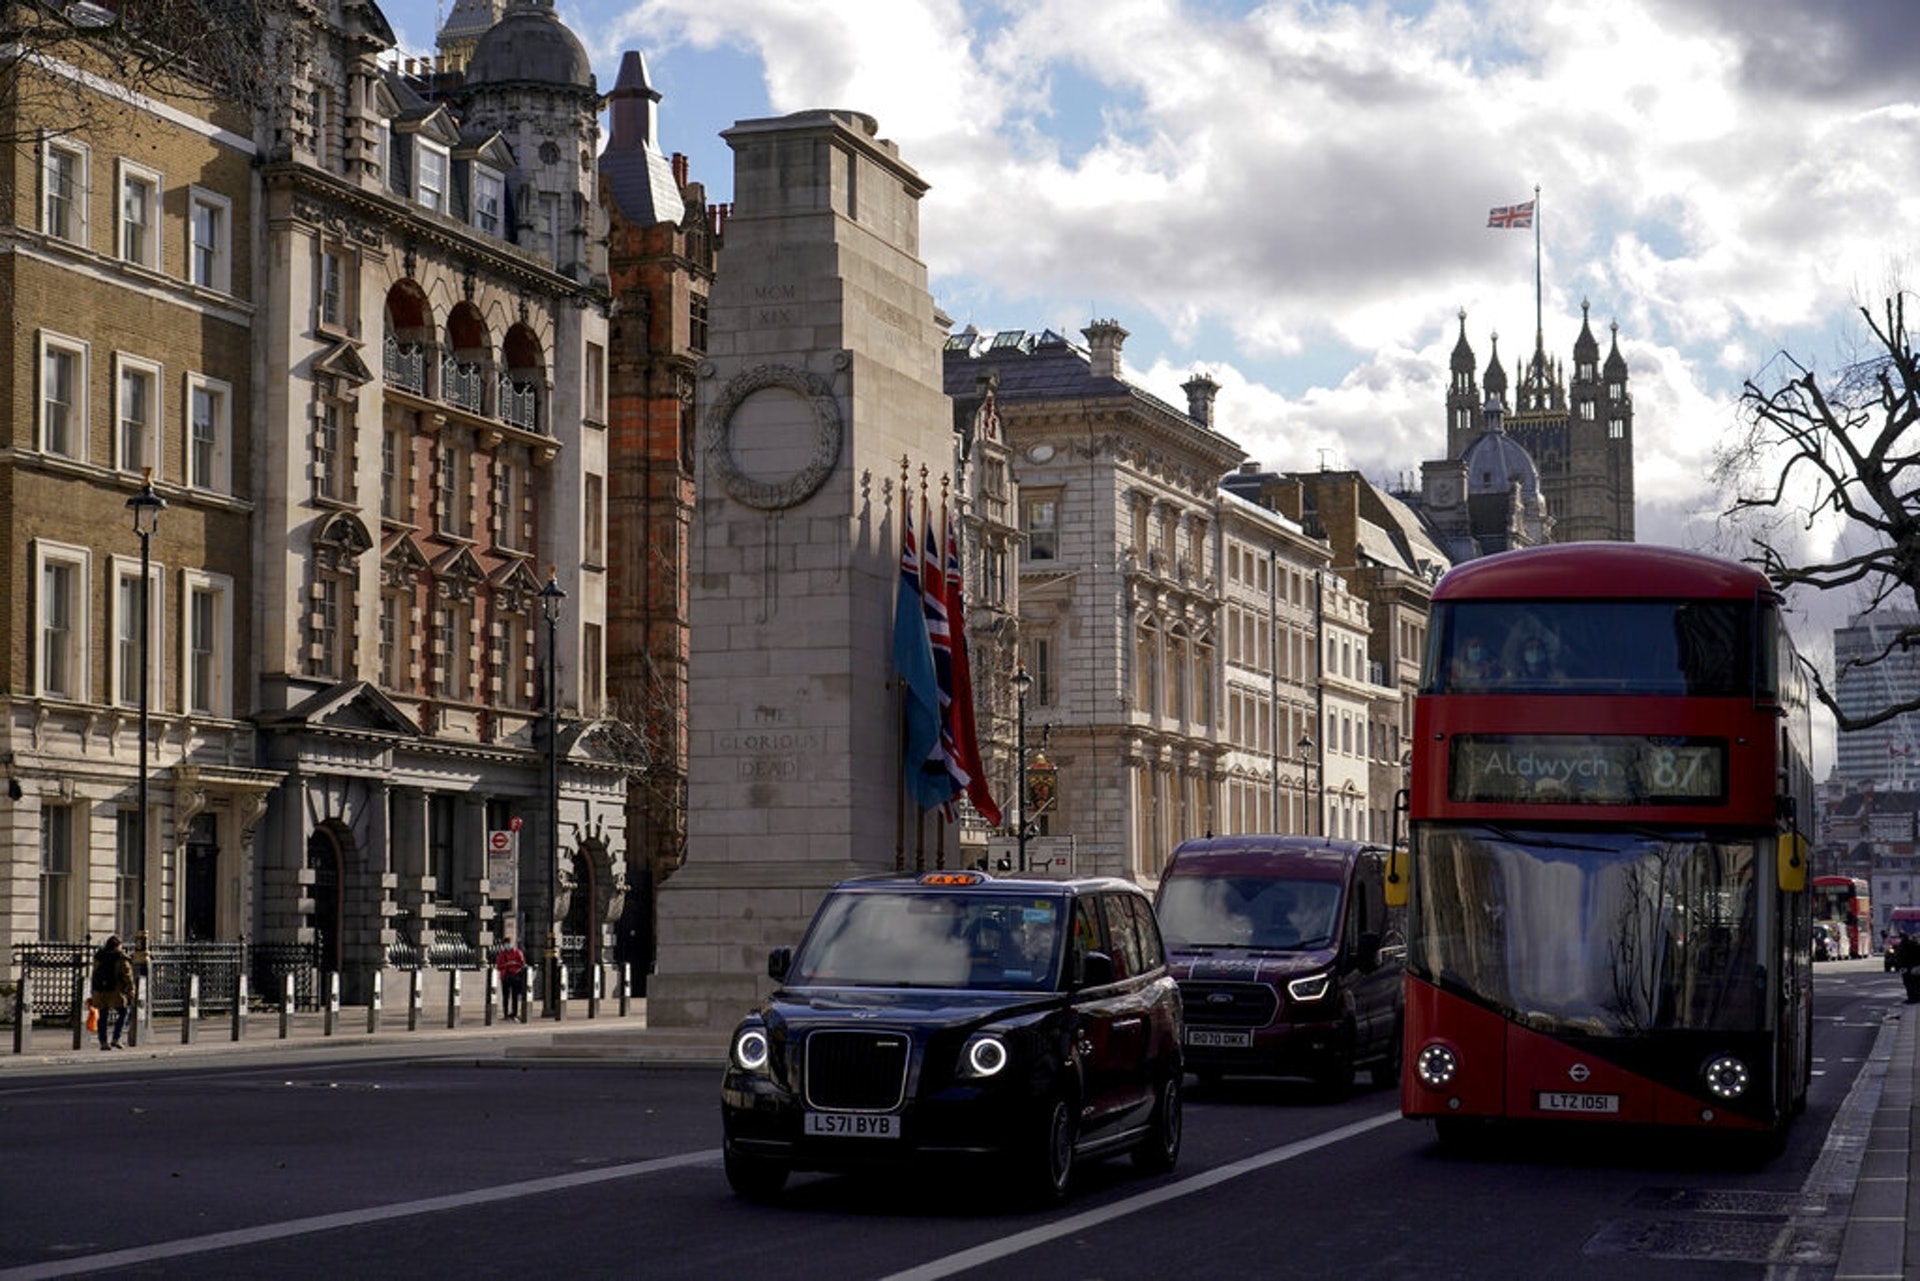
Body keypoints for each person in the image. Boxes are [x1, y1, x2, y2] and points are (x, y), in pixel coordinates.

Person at [90, 935, 134, 1050]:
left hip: (100, 990)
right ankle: (116, 1038)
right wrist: (131, 989)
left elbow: (94, 973)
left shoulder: (99, 956)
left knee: (103, 1015)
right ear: (117, 946)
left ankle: (103, 1042)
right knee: (124, 1012)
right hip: (115, 990)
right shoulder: (120, 958)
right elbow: (127, 975)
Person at [495, 938, 529, 1021]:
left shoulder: (517, 952)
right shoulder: (501, 954)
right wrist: (507, 964)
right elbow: (498, 966)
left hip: (515, 976)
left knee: (515, 996)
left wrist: (514, 963)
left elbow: (522, 963)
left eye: (508, 943)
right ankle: (505, 1013)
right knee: (505, 996)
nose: (507, 946)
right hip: (505, 976)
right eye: (505, 944)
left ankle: (514, 1013)